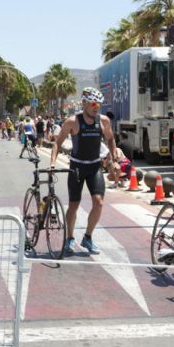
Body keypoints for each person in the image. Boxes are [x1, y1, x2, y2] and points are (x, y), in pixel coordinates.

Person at [50, 87, 120, 254]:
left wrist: (115, 160)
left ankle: (87, 237)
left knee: (99, 202)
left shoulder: (103, 121)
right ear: (84, 103)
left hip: (95, 166)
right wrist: (52, 164)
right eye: (94, 104)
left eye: (99, 105)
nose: (97, 108)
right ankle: (70, 238)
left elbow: (110, 140)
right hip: (77, 168)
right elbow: (57, 143)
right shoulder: (72, 121)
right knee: (74, 205)